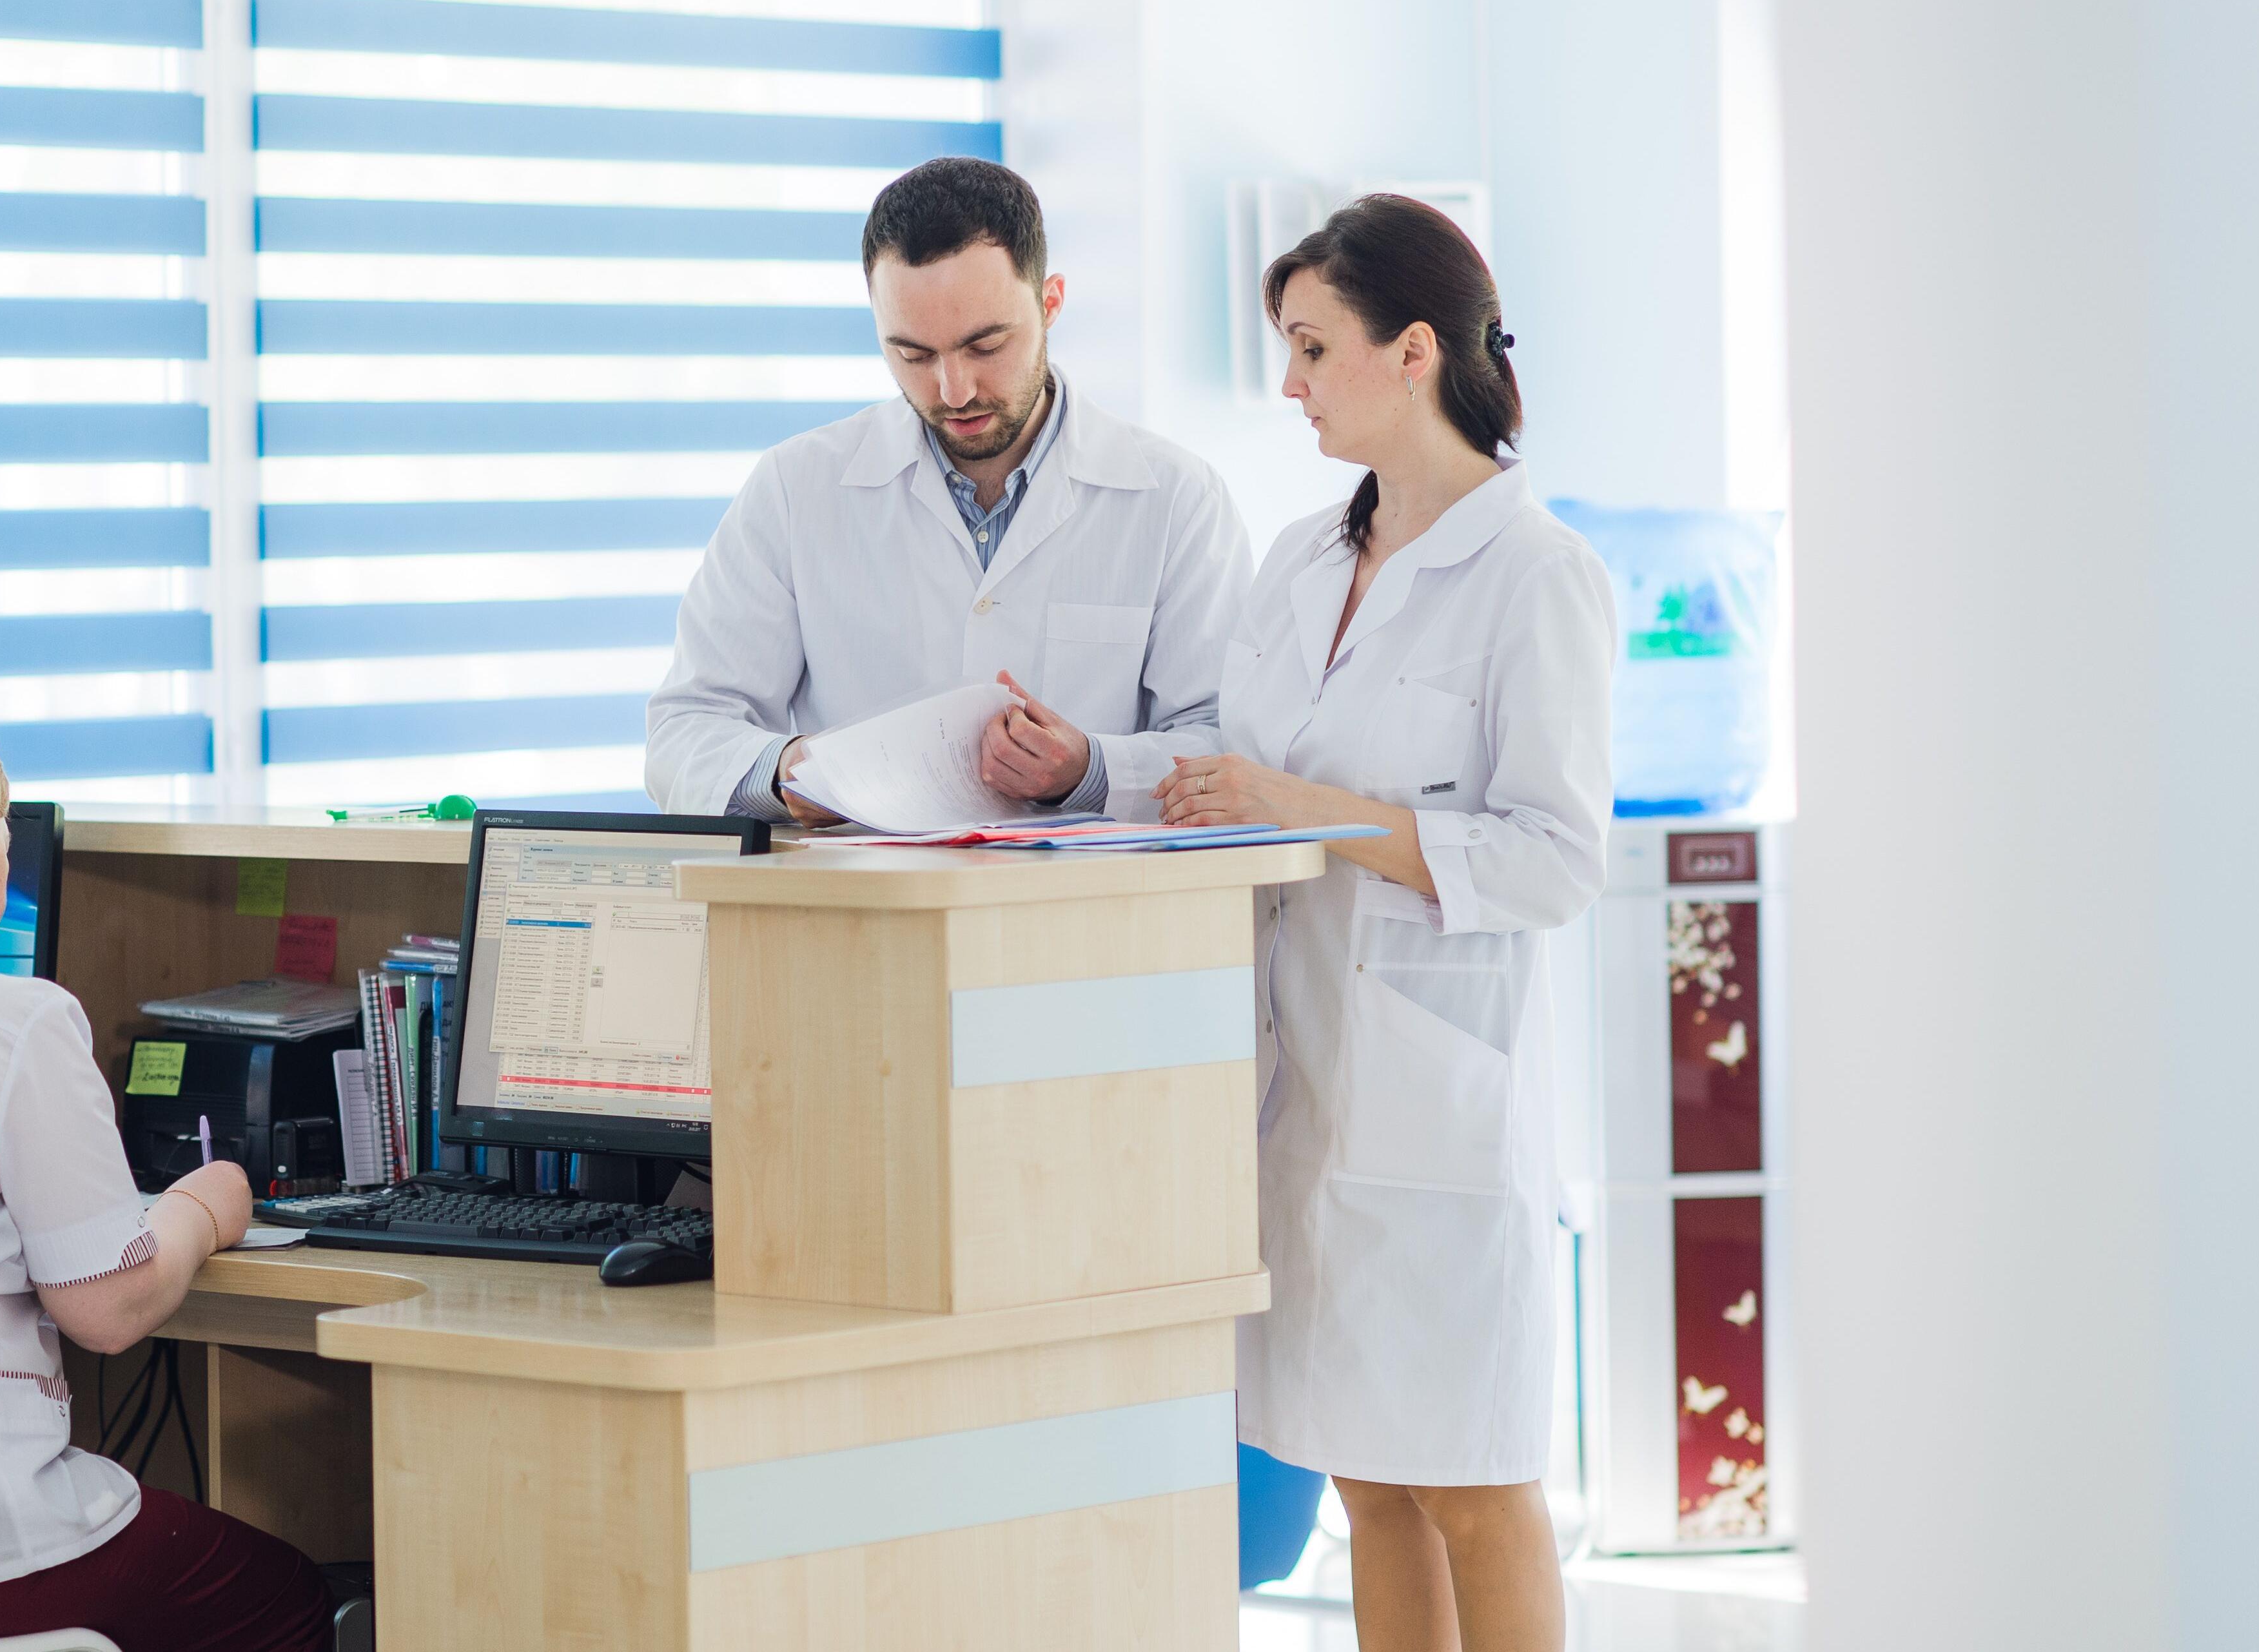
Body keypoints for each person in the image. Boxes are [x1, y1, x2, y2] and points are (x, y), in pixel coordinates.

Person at [1157, 197, 1612, 1652]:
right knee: (1366, 1481)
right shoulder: (1300, 559)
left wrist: (1308, 805)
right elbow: (1222, 765)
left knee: (1473, 1481)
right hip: (1307, 1100)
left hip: (1441, 1106)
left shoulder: (1539, 578)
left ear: (1411, 349)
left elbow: (1551, 861)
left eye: (1309, 348)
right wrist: (1085, 771)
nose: (1285, 384)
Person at [645, 157, 1249, 824]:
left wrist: (1091, 769)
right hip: (873, 916)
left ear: (1049, 303)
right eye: (913, 355)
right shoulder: (796, 488)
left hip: (1088, 915)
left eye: (984, 346)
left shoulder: (1176, 498)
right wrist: (791, 772)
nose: (952, 390)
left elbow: (1230, 737)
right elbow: (684, 730)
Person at [0, 699, 336, 1652]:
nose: (5, 856)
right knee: (289, 1602)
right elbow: (107, 1310)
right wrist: (202, 1206)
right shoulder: (9, 1020)